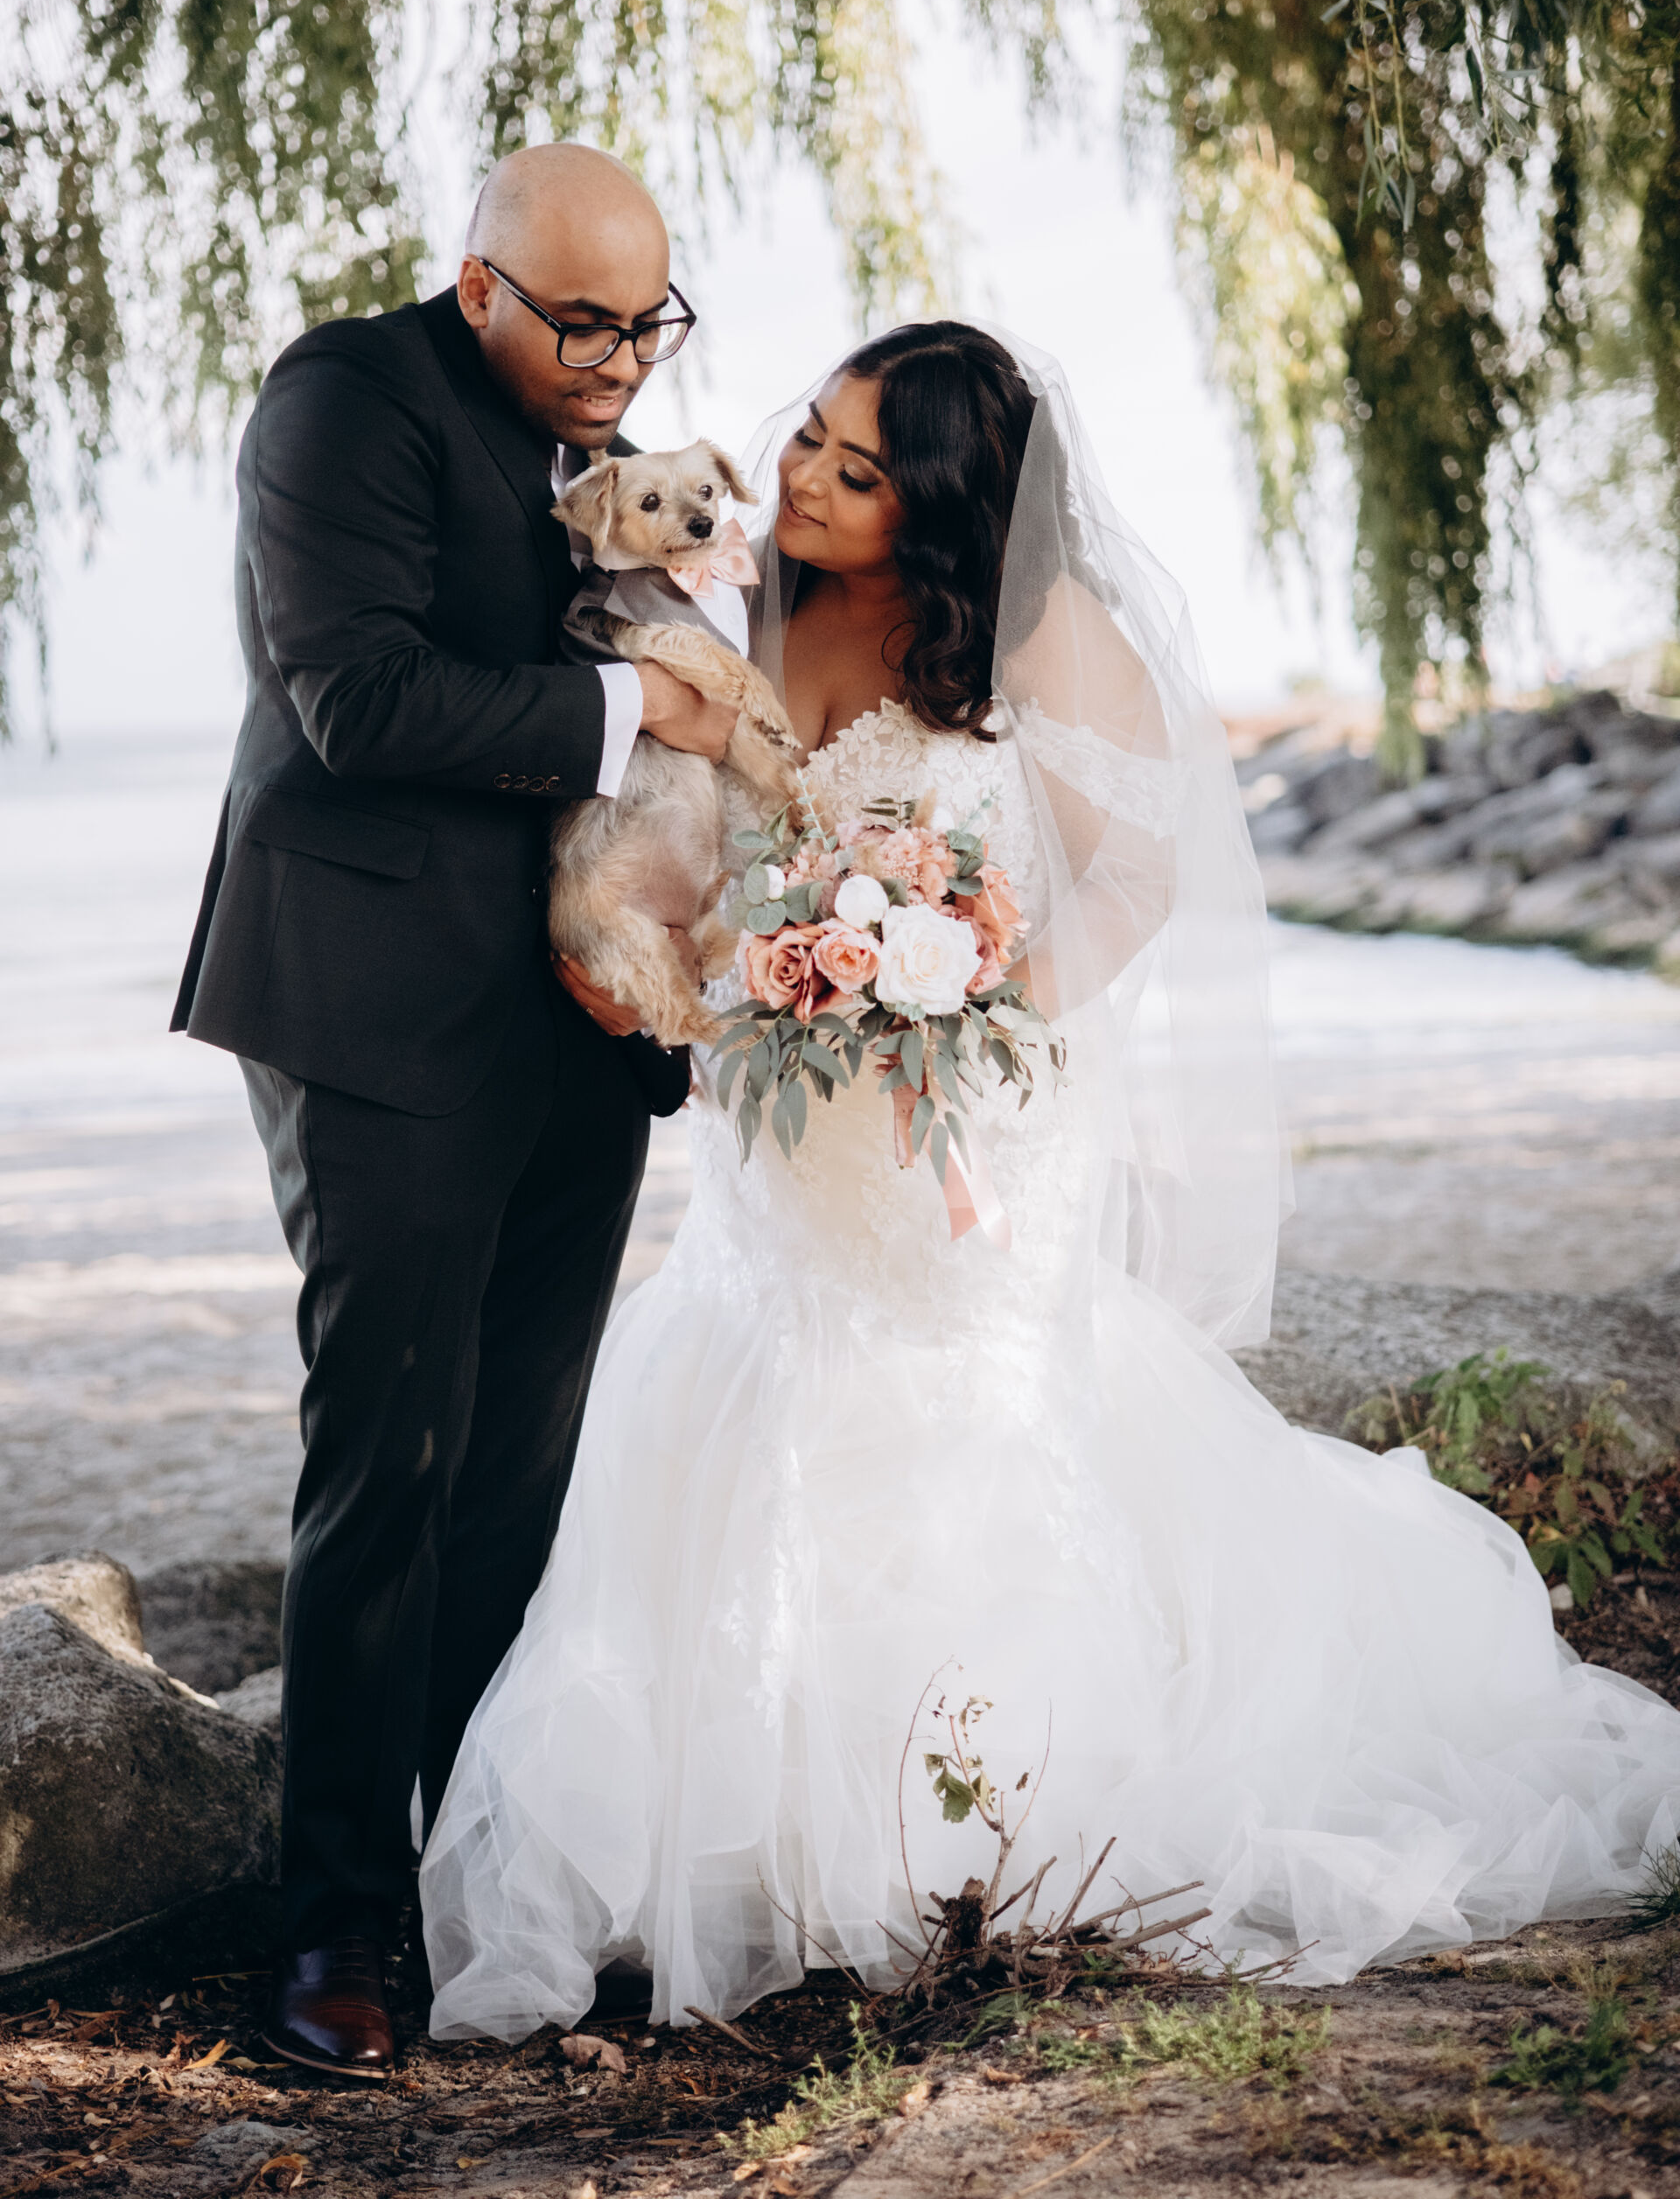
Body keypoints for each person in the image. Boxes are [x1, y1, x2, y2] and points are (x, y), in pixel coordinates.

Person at [420, 320, 1680, 2039]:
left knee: (952, 1423)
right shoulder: (744, 599)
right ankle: (735, 1839)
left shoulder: (1045, 632)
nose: (802, 477)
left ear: (946, 509)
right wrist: (717, 975)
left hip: (974, 1120)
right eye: (809, 434)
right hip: (780, 1118)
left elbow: (1138, 874)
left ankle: (963, 1818)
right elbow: (687, 835)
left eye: (859, 472)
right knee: (743, 1384)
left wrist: (965, 999)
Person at [172, 144, 739, 2078]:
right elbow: (359, 699)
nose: (622, 363)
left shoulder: (613, 453)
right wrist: (642, 711)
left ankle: (483, 1888)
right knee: (389, 1464)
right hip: (377, 1004)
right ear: (480, 284)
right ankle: (334, 1924)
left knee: (520, 1477)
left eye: (650, 326)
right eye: (584, 325)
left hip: (582, 1015)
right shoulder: (344, 398)